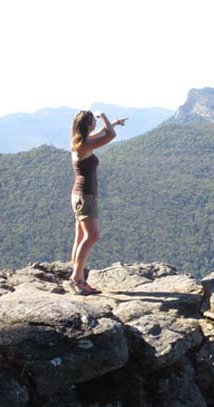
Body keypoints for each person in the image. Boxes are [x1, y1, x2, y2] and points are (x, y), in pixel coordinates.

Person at [69, 110, 127, 295]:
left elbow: (103, 132)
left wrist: (114, 121)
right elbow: (110, 135)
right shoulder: (84, 145)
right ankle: (78, 280)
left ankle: (77, 276)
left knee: (80, 237)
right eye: (93, 121)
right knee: (92, 236)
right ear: (88, 124)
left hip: (80, 195)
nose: (96, 123)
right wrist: (103, 115)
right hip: (85, 195)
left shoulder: (80, 140)